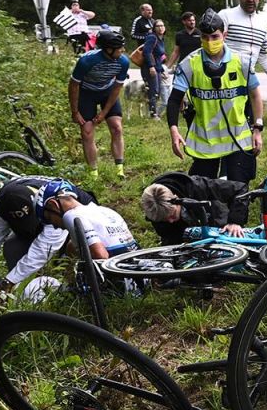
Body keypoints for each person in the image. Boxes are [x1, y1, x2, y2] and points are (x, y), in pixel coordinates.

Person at [166, 8, 265, 184]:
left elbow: (256, 95)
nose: (209, 41)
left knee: (238, 194)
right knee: (202, 194)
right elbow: (174, 100)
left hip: (238, 141)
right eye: (204, 37)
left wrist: (257, 128)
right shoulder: (189, 64)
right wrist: (174, 130)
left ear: (224, 35)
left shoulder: (241, 61)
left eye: (215, 37)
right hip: (205, 143)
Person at [0, 176, 95, 292]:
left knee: (71, 250)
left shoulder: (52, 204)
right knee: (12, 248)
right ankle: (22, 290)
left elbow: (42, 250)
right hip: (42, 221)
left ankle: (71, 290)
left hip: (74, 222)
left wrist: (8, 281)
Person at [69, 30, 129, 179]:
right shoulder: (86, 61)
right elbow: (73, 86)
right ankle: (94, 173)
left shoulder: (123, 61)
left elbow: (117, 87)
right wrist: (75, 111)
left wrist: (104, 112)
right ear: (108, 49)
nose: (122, 51)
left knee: (116, 127)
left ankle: (119, 169)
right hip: (86, 93)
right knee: (87, 132)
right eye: (119, 48)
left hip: (107, 92)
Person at [34, 179, 137, 261]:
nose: (55, 226)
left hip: (118, 277)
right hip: (136, 266)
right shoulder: (104, 210)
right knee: (71, 247)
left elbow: (101, 256)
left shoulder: (71, 215)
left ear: (53, 205)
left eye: (49, 219)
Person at [139, 172, 252, 245]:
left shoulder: (196, 186)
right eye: (164, 220)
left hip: (216, 221)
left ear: (176, 198)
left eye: (173, 215)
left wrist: (235, 221)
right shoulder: (155, 209)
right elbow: (170, 238)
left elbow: (239, 189)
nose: (171, 221)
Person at [221, 0, 267, 79]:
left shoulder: (262, 23)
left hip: (248, 81)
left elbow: (262, 56)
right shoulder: (225, 15)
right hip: (225, 80)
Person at [143, 19, 168, 119]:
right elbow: (147, 52)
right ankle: (153, 114)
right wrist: (151, 67)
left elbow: (159, 57)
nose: (161, 28)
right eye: (158, 26)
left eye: (162, 26)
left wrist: (161, 70)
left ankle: (153, 112)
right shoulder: (152, 37)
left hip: (157, 68)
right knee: (153, 91)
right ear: (154, 28)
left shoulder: (161, 39)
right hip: (150, 68)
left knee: (156, 91)